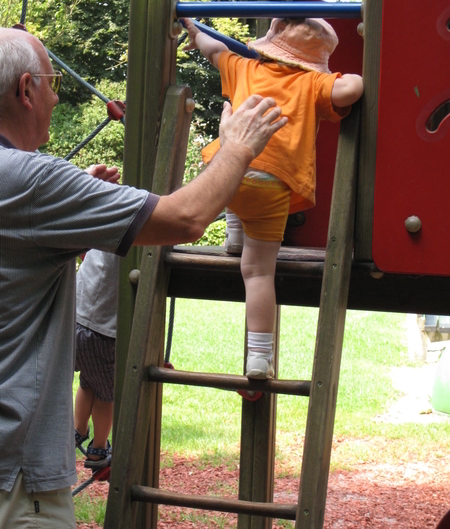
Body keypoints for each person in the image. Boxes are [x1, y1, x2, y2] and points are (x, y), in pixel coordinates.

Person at [0, 27, 287, 528]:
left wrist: (76, 202)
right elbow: (184, 218)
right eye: (49, 82)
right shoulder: (31, 181)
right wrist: (236, 147)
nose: (56, 93)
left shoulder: (30, 190)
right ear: (25, 90)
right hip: (15, 471)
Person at [183, 16, 364, 380]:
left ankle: (234, 236)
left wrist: (195, 30)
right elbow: (351, 90)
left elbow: (215, 49)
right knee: (258, 271)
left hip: (226, 173)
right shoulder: (312, 82)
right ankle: (259, 358)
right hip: (273, 183)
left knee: (234, 179)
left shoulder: (242, 66)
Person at [74, 249, 119, 469]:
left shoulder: (104, 222)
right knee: (105, 394)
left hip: (74, 318)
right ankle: (98, 450)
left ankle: (78, 429)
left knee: (87, 381)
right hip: (103, 332)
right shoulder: (138, 240)